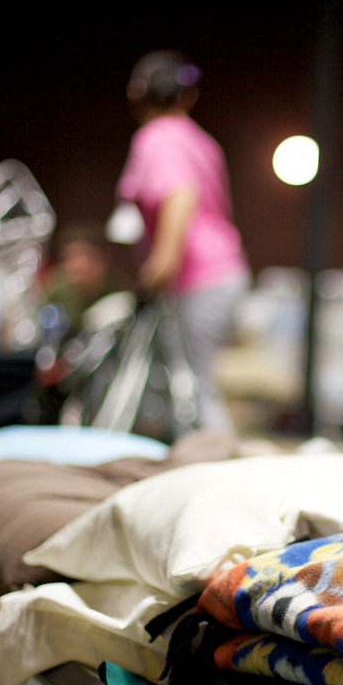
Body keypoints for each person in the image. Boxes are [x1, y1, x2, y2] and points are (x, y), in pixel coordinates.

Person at [116, 50, 249, 434]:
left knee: (193, 389)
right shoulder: (201, 141)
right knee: (190, 384)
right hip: (225, 274)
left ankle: (213, 476)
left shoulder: (156, 138)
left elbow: (180, 195)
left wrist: (160, 266)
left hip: (198, 279)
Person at [42, 221, 130, 338]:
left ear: (104, 258)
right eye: (71, 258)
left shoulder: (120, 291)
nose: (78, 266)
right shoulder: (56, 294)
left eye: (85, 256)